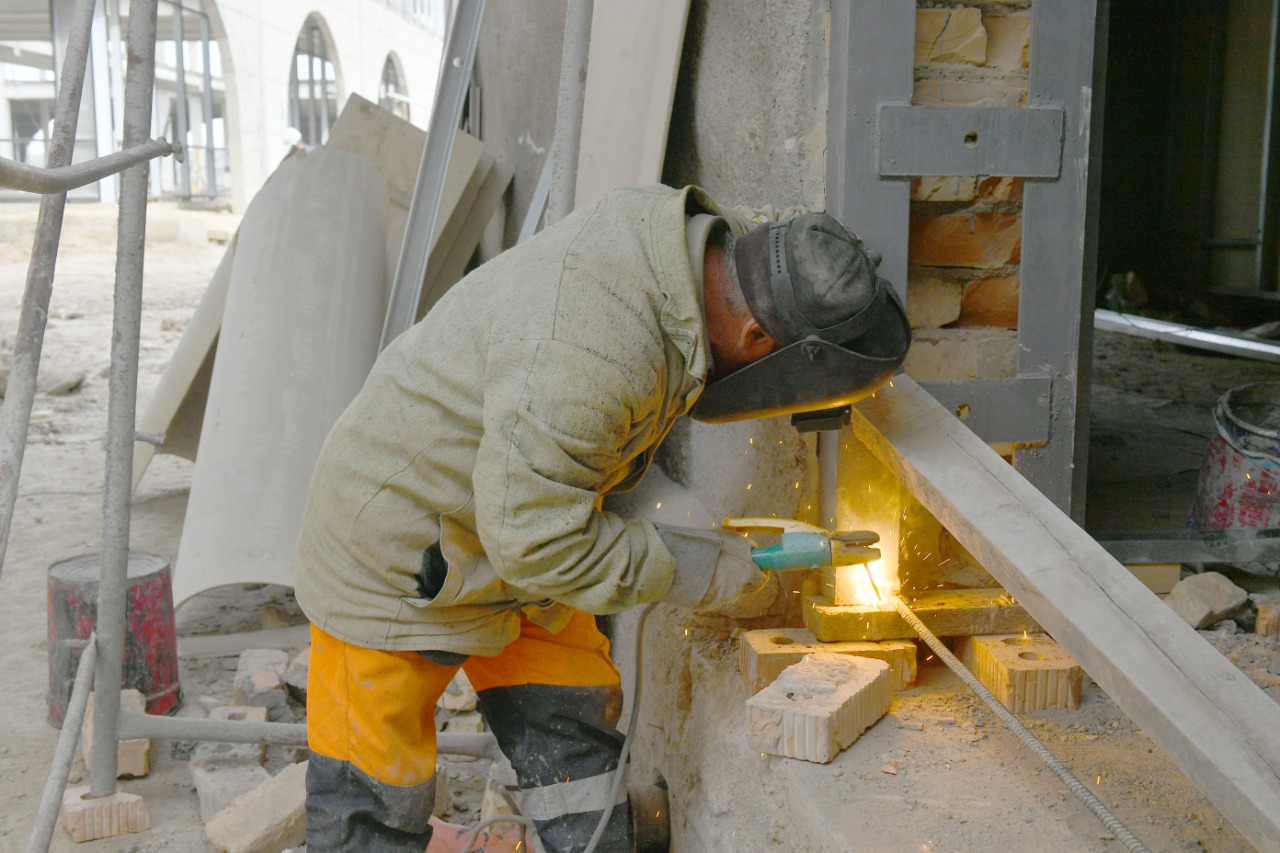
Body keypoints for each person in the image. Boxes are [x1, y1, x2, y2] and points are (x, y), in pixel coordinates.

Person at [295, 184, 910, 852]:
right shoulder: (591, 359)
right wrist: (700, 568)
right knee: (373, 802)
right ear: (756, 334)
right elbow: (535, 542)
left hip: (516, 528)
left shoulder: (708, 255)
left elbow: (536, 519)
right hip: (395, 554)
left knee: (574, 732)